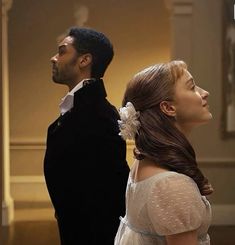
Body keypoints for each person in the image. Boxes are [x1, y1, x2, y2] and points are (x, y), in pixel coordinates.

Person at [43, 27, 129, 245]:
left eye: (62, 51)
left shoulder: (99, 116)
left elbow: (110, 193)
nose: (53, 58)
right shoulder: (82, 110)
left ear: (84, 60)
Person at [115, 60, 213, 245]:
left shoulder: (145, 163)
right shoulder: (171, 184)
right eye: (192, 87)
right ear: (168, 107)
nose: (204, 92)